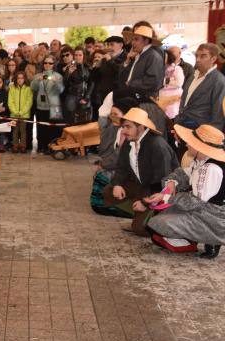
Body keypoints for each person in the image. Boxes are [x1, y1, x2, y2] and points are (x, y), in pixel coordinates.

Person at [145, 124, 225, 259]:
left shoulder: (210, 169)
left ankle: (211, 238)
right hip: (203, 211)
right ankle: (193, 239)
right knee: (154, 222)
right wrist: (172, 183)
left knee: (156, 223)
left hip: (212, 217)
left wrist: (166, 198)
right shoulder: (202, 161)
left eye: (190, 142)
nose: (187, 145)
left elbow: (194, 202)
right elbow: (184, 173)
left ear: (200, 147)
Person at [103, 107, 178, 236]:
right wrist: (117, 184)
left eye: (128, 127)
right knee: (109, 191)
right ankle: (139, 214)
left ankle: (152, 216)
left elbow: (162, 182)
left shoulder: (157, 145)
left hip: (159, 191)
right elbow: (121, 167)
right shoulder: (130, 140)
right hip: (142, 185)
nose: (124, 131)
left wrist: (145, 203)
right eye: (123, 127)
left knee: (139, 229)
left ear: (141, 127)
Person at [90, 92, 136, 218]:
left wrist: (103, 165)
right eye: (111, 114)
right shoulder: (115, 128)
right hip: (118, 166)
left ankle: (111, 206)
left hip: (129, 172)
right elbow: (104, 150)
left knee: (102, 175)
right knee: (100, 174)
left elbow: (120, 158)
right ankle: (105, 205)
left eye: (116, 114)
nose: (112, 117)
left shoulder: (128, 132)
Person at [174, 43, 225, 132]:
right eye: (196, 56)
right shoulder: (193, 75)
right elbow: (184, 101)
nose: (198, 59)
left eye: (203, 56)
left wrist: (210, 137)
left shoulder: (219, 81)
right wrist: (178, 125)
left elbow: (218, 115)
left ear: (213, 59)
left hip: (201, 131)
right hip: (182, 126)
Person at [120, 21, 164, 97]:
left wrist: (131, 83)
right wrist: (127, 61)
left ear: (146, 40)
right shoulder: (136, 53)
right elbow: (121, 76)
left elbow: (153, 81)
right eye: (133, 39)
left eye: (136, 39)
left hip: (144, 98)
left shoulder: (154, 54)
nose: (133, 42)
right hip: (135, 94)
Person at [30, 56, 64, 153]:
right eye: (45, 63)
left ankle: (53, 147)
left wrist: (55, 82)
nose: (47, 65)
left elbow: (61, 90)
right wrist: (37, 80)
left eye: (50, 63)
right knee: (41, 127)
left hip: (54, 106)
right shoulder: (38, 75)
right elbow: (33, 88)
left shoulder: (58, 76)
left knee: (54, 128)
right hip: (41, 105)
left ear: (53, 65)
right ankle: (42, 146)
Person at [62, 48, 93, 125]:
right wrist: (68, 73)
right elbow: (64, 83)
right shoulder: (70, 67)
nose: (78, 57)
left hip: (85, 96)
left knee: (84, 120)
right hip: (72, 96)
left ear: (83, 56)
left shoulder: (88, 67)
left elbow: (91, 83)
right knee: (71, 120)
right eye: (76, 55)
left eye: (80, 55)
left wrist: (87, 97)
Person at [7, 71, 33, 152]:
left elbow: (29, 102)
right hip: (14, 114)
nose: (20, 80)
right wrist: (14, 111)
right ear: (16, 79)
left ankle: (23, 146)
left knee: (23, 131)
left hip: (24, 114)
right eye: (18, 78)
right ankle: (15, 146)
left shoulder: (28, 89)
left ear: (24, 79)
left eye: (22, 78)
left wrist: (22, 112)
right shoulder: (12, 88)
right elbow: (10, 101)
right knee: (15, 131)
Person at [158, 48, 185, 120]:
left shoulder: (177, 69)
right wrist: (168, 80)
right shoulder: (160, 69)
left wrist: (165, 81)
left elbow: (179, 83)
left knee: (171, 118)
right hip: (161, 98)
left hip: (173, 99)